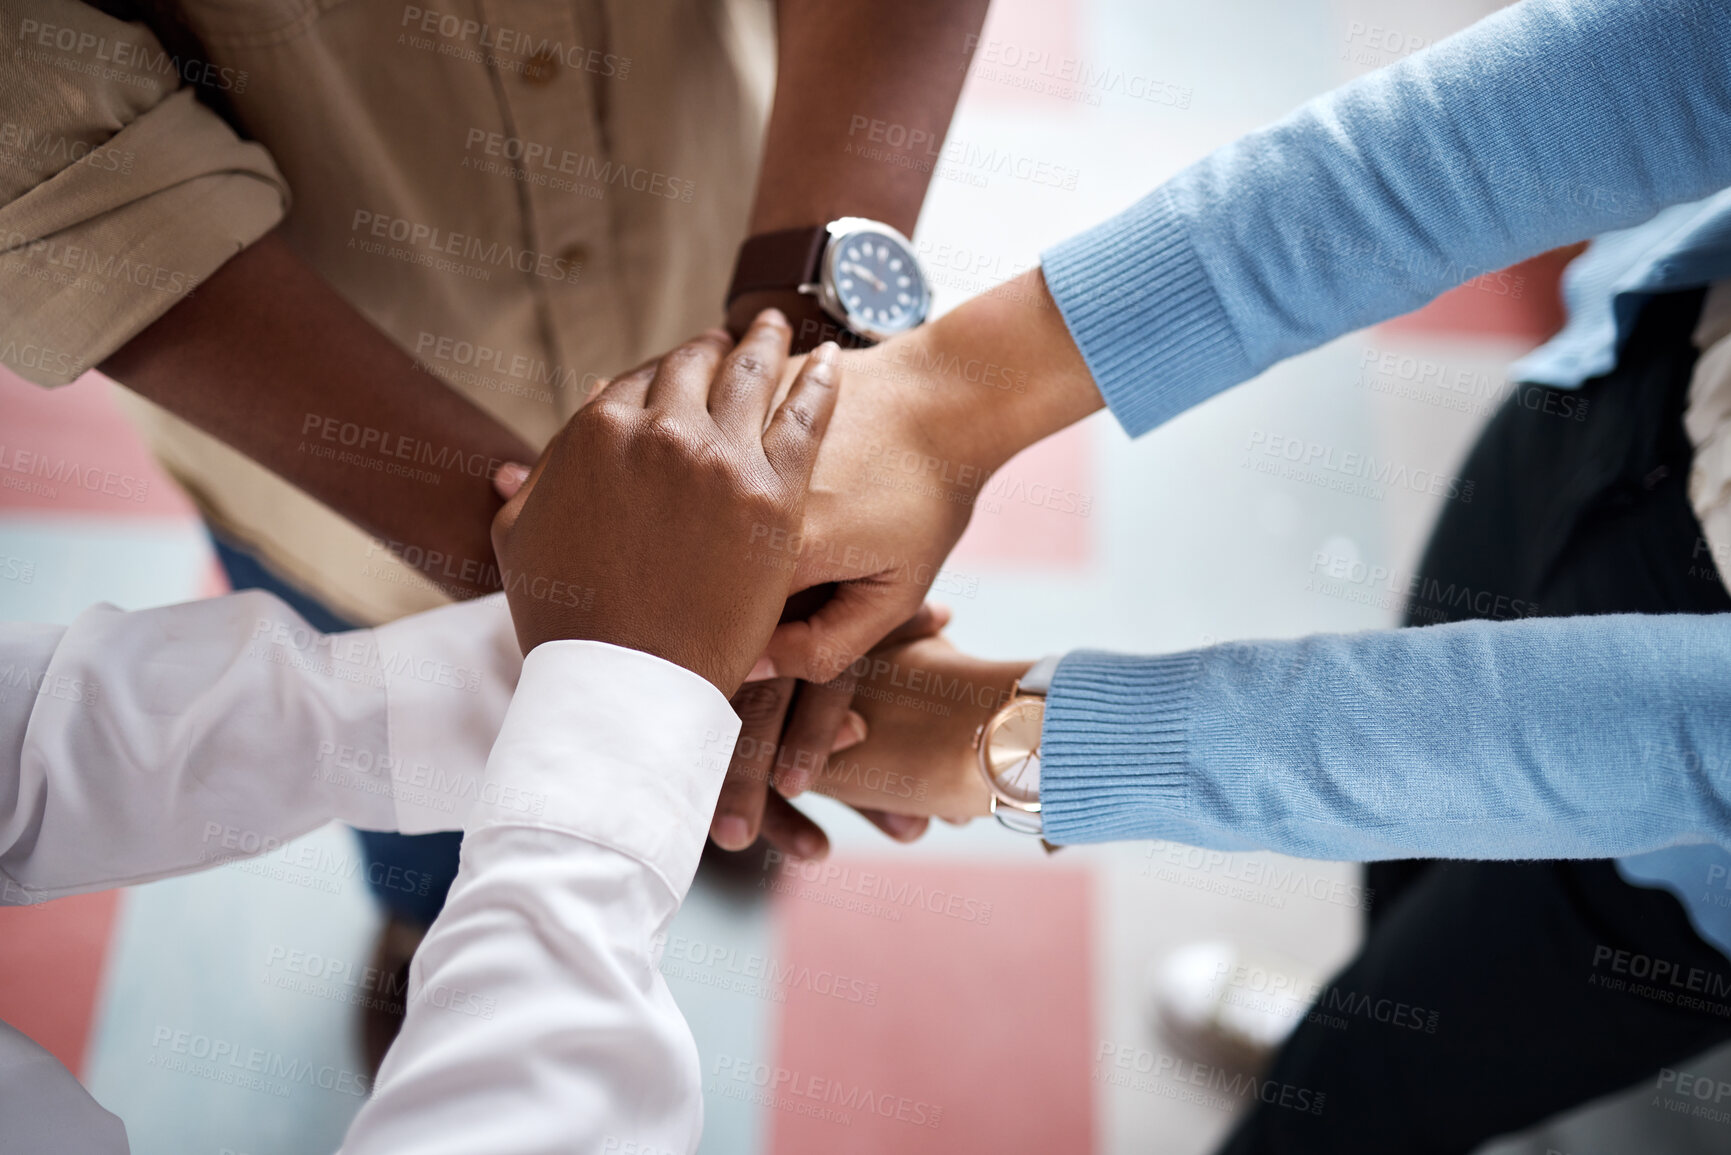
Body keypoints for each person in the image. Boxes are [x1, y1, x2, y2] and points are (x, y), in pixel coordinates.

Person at [704, 0, 1731, 1149]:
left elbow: (1697, 744)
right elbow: (1666, 60)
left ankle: (1366, 1057)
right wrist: (952, 399)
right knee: (1407, 895)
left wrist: (1020, 736)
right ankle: (1360, 1006)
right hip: (1635, 391)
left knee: (1381, 1092)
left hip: (1697, 872)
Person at [0, 0, 987, 1051]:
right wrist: (711, 631)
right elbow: (43, 155)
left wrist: (804, 357)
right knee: (376, 754)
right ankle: (432, 927)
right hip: (335, 491)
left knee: (720, 740)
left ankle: (737, 766)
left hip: (730, 235)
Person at [1, 318, 840, 1153]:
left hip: (535, 537)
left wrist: (659, 680)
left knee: (342, 720)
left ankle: (713, 766)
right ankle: (432, 915)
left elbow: (49, 742)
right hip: (321, 525)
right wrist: (653, 685)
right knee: (410, 818)